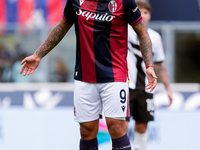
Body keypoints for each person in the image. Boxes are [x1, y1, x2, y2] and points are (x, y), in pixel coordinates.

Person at [20, 0, 157, 150]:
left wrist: (149, 65)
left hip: (115, 75)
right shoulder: (76, 1)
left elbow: (143, 33)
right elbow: (61, 27)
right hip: (84, 76)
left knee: (117, 128)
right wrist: (38, 55)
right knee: (86, 131)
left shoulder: (125, 2)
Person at [126, 1, 173, 150]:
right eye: (139, 11)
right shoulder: (123, 31)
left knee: (142, 126)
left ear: (150, 15)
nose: (142, 15)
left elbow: (160, 65)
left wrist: (168, 88)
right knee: (121, 125)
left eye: (145, 12)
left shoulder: (155, 37)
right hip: (124, 86)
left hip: (146, 89)